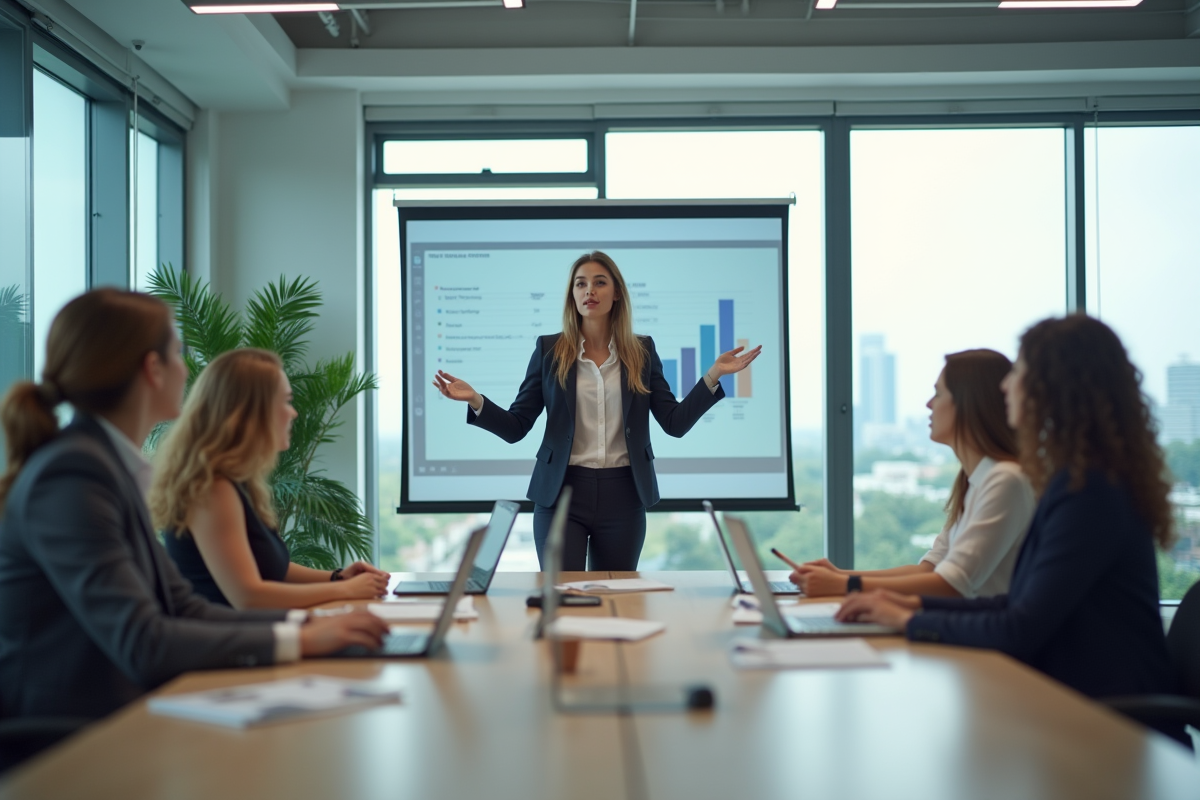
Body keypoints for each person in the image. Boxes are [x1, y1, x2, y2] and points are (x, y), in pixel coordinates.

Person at [0, 290, 387, 721]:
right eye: (178, 353)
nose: (186, 370)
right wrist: (303, 639)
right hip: (66, 738)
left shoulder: (103, 464)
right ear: (152, 368)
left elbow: (184, 607)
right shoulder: (73, 476)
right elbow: (144, 641)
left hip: (114, 715)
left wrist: (308, 626)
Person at [837, 315, 1179, 705]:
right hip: (1073, 699)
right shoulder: (1077, 481)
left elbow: (1019, 627)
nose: (1006, 385)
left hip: (1109, 718)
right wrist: (911, 604)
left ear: (1052, 390)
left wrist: (909, 619)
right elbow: (1018, 603)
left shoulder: (1090, 493)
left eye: (1018, 372)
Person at [433, 251, 760, 570]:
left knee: (616, 598)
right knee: (560, 600)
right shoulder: (549, 350)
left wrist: (713, 375)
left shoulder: (641, 351)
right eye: (580, 283)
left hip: (625, 494)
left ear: (616, 293)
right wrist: (476, 400)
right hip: (560, 492)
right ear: (572, 295)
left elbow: (674, 422)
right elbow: (516, 426)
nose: (589, 290)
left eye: (599, 282)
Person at [151, 348, 390, 609]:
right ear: (249, 413)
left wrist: (337, 578)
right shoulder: (212, 489)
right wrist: (345, 590)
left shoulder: (236, 482)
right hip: (231, 645)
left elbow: (272, 568)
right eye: (285, 401)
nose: (293, 413)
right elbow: (249, 598)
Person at [792, 349, 1035, 598]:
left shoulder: (1005, 480)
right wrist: (839, 576)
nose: (929, 404)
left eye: (938, 394)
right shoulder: (975, 480)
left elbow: (950, 585)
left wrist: (844, 585)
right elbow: (928, 571)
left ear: (967, 404)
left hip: (974, 634)